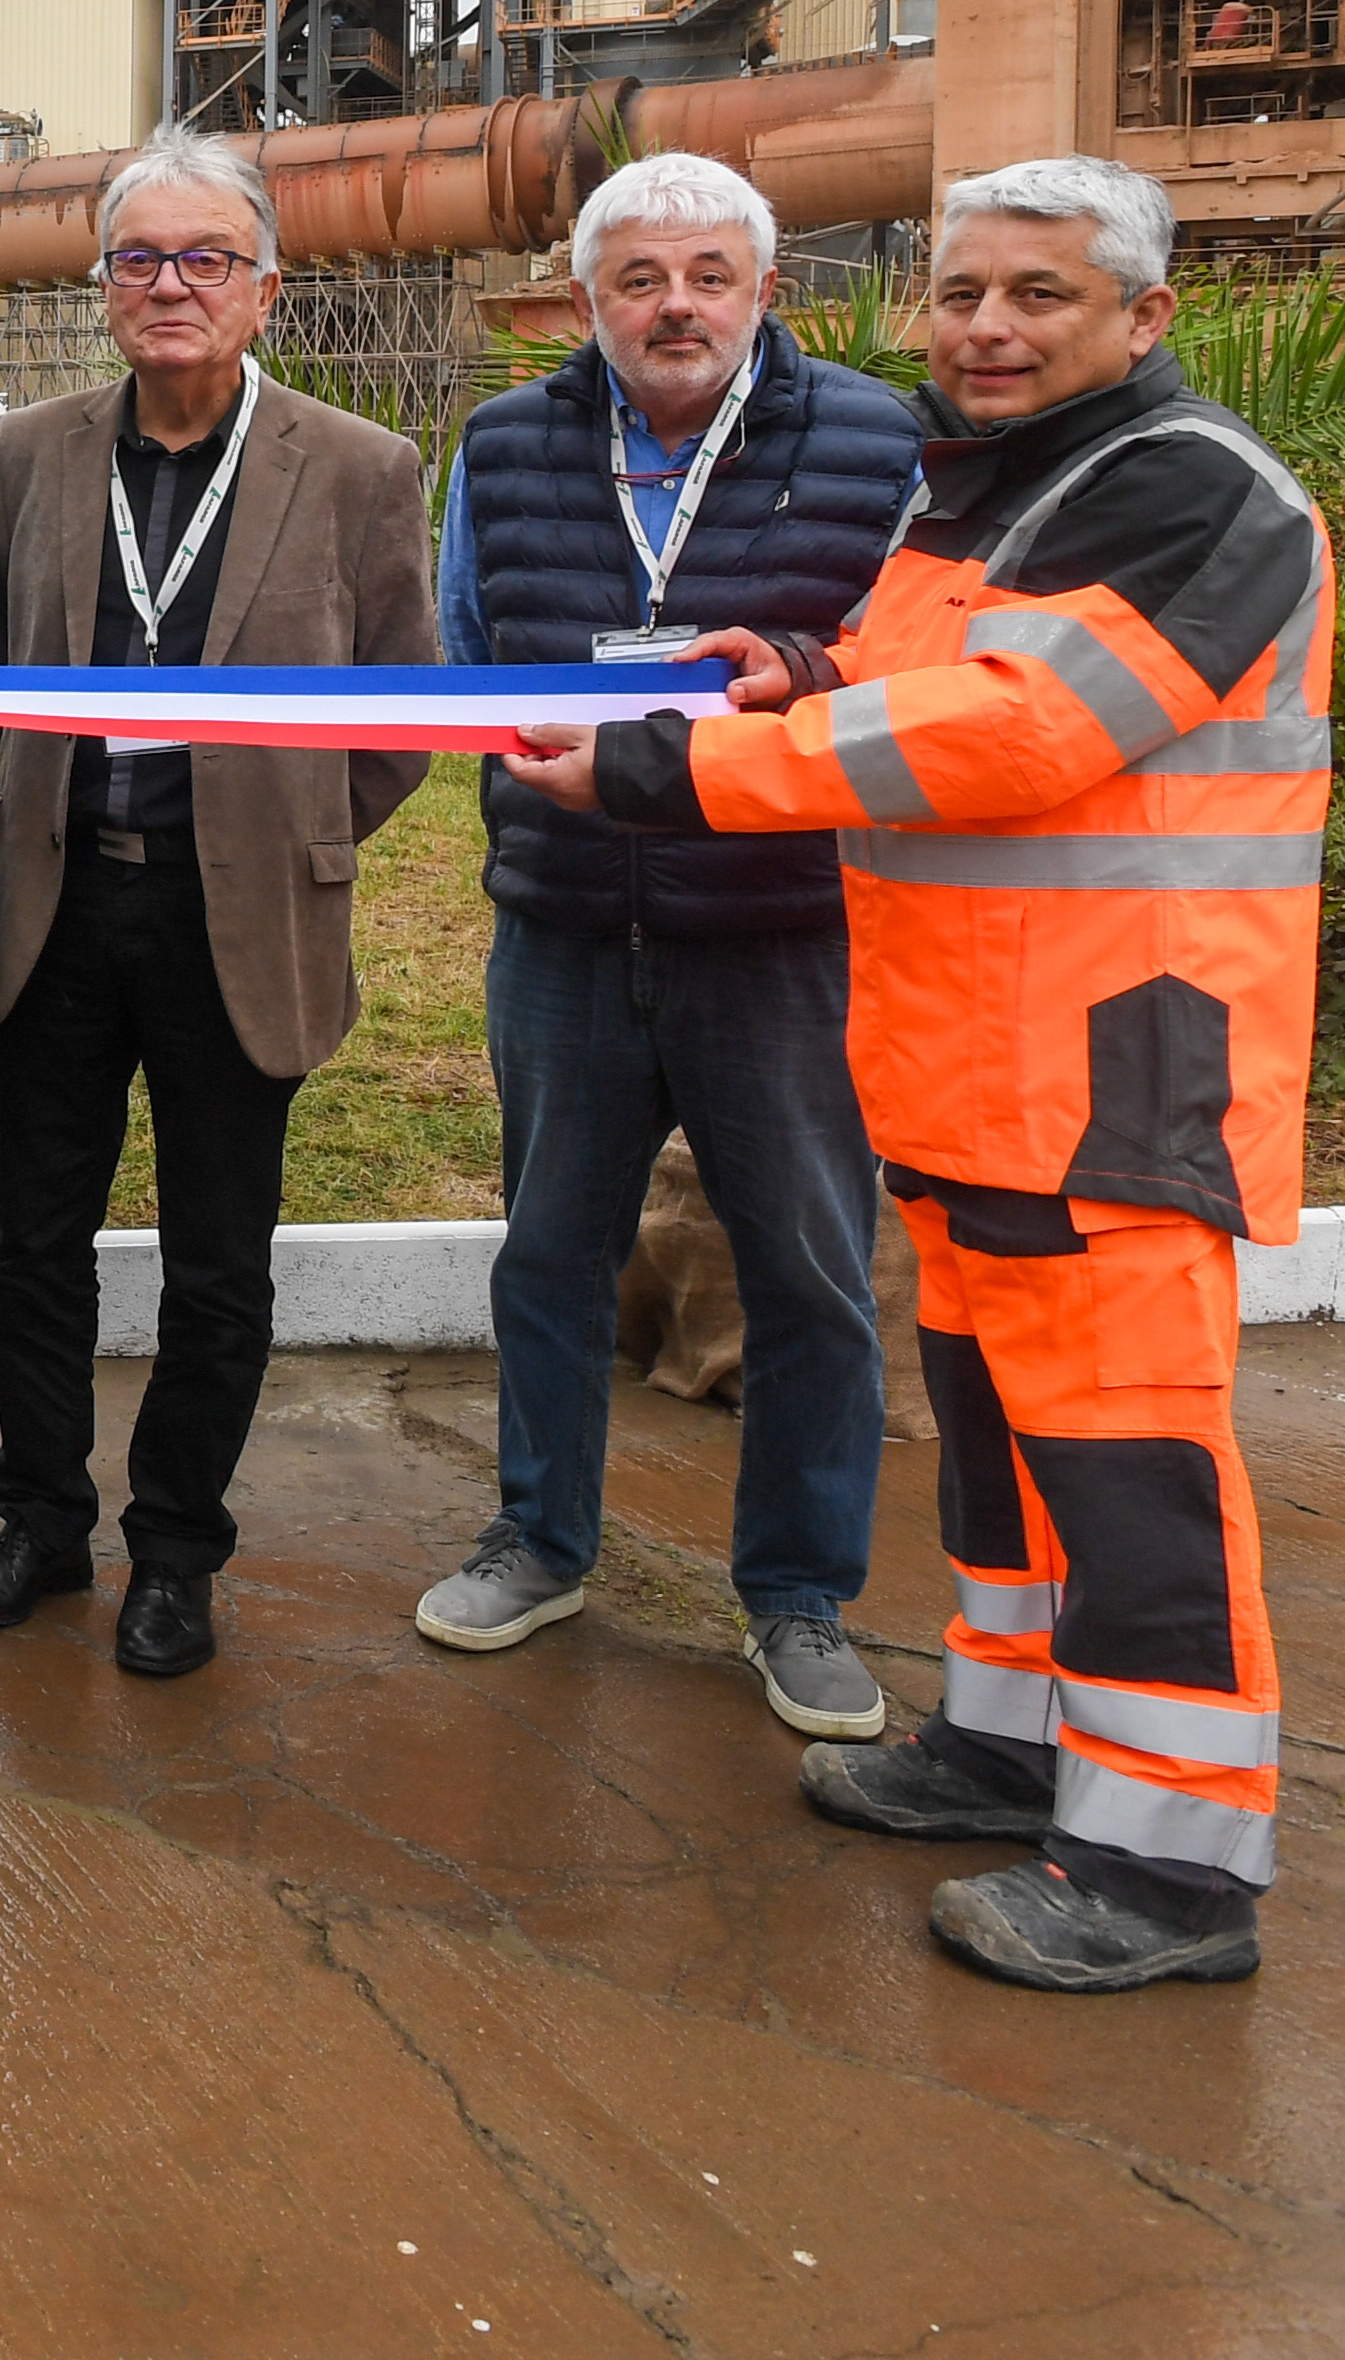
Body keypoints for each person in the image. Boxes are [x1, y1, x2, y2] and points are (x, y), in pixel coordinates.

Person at [513, 156, 1330, 1994]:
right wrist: (790, 671)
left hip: (1120, 1076)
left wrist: (679, 771)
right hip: (969, 1078)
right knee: (999, 1446)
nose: (986, 327)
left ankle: (1170, 1871)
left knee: (1130, 1470)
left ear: (1144, 316)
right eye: (962, 292)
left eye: (1038, 295)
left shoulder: (1193, 494)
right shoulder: (990, 499)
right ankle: (1009, 1744)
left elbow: (1021, 730)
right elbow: (902, 679)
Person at [423, 153, 916, 1739]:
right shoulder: (501, 446)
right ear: (588, 299)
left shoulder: (877, 442)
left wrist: (795, 668)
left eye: (710, 273)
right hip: (564, 925)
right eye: (640, 279)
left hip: (782, 936)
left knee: (810, 1279)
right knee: (550, 1258)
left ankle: (798, 1596)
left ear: (769, 288)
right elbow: (467, 655)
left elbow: (906, 674)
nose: (675, 305)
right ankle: (540, 1539)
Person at [0, 127, 436, 1679]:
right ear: (102, 287)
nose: (172, 286)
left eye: (205, 258)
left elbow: (404, 713)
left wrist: (285, 836)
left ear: (264, 287)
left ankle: (176, 1549)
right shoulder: (26, 451)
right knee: (37, 1242)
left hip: (245, 923)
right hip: (60, 904)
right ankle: (38, 1520)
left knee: (221, 1257)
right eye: (140, 259)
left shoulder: (361, 468)